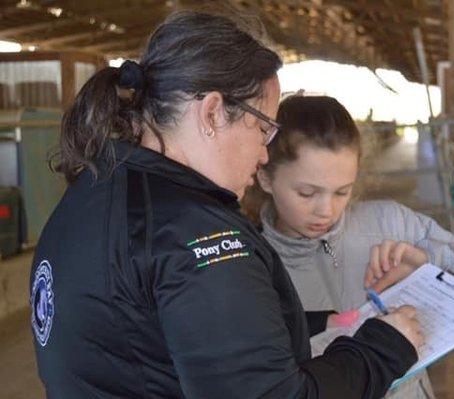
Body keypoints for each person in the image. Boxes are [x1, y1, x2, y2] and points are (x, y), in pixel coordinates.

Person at [29, 11, 425, 399]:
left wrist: (321, 323)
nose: (265, 153)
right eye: (263, 128)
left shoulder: (95, 191)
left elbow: (175, 332)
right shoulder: (194, 233)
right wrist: (383, 348)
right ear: (213, 112)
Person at [248, 95, 454, 398]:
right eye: (306, 193)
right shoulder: (250, 268)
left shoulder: (391, 224)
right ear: (265, 177)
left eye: (342, 192)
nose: (327, 210)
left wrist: (431, 264)